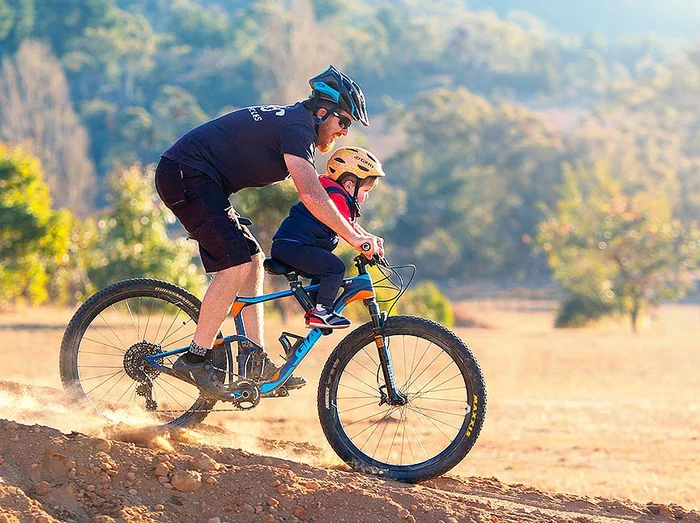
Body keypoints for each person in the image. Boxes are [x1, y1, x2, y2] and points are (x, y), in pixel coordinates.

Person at [154, 65, 382, 400]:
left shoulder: (297, 125)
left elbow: (318, 197)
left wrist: (355, 231)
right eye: (343, 122)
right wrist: (354, 238)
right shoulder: (297, 129)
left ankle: (253, 360)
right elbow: (311, 193)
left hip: (202, 180)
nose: (343, 132)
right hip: (185, 175)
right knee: (234, 264)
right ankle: (195, 357)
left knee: (253, 260)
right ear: (322, 112)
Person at [271, 146, 385, 329]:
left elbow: (350, 226)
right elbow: (346, 229)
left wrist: (370, 239)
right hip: (293, 247)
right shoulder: (336, 196)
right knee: (335, 268)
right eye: (366, 190)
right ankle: (322, 312)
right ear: (349, 185)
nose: (367, 196)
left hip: (291, 246)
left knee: (326, 268)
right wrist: (361, 243)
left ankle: (317, 310)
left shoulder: (334, 194)